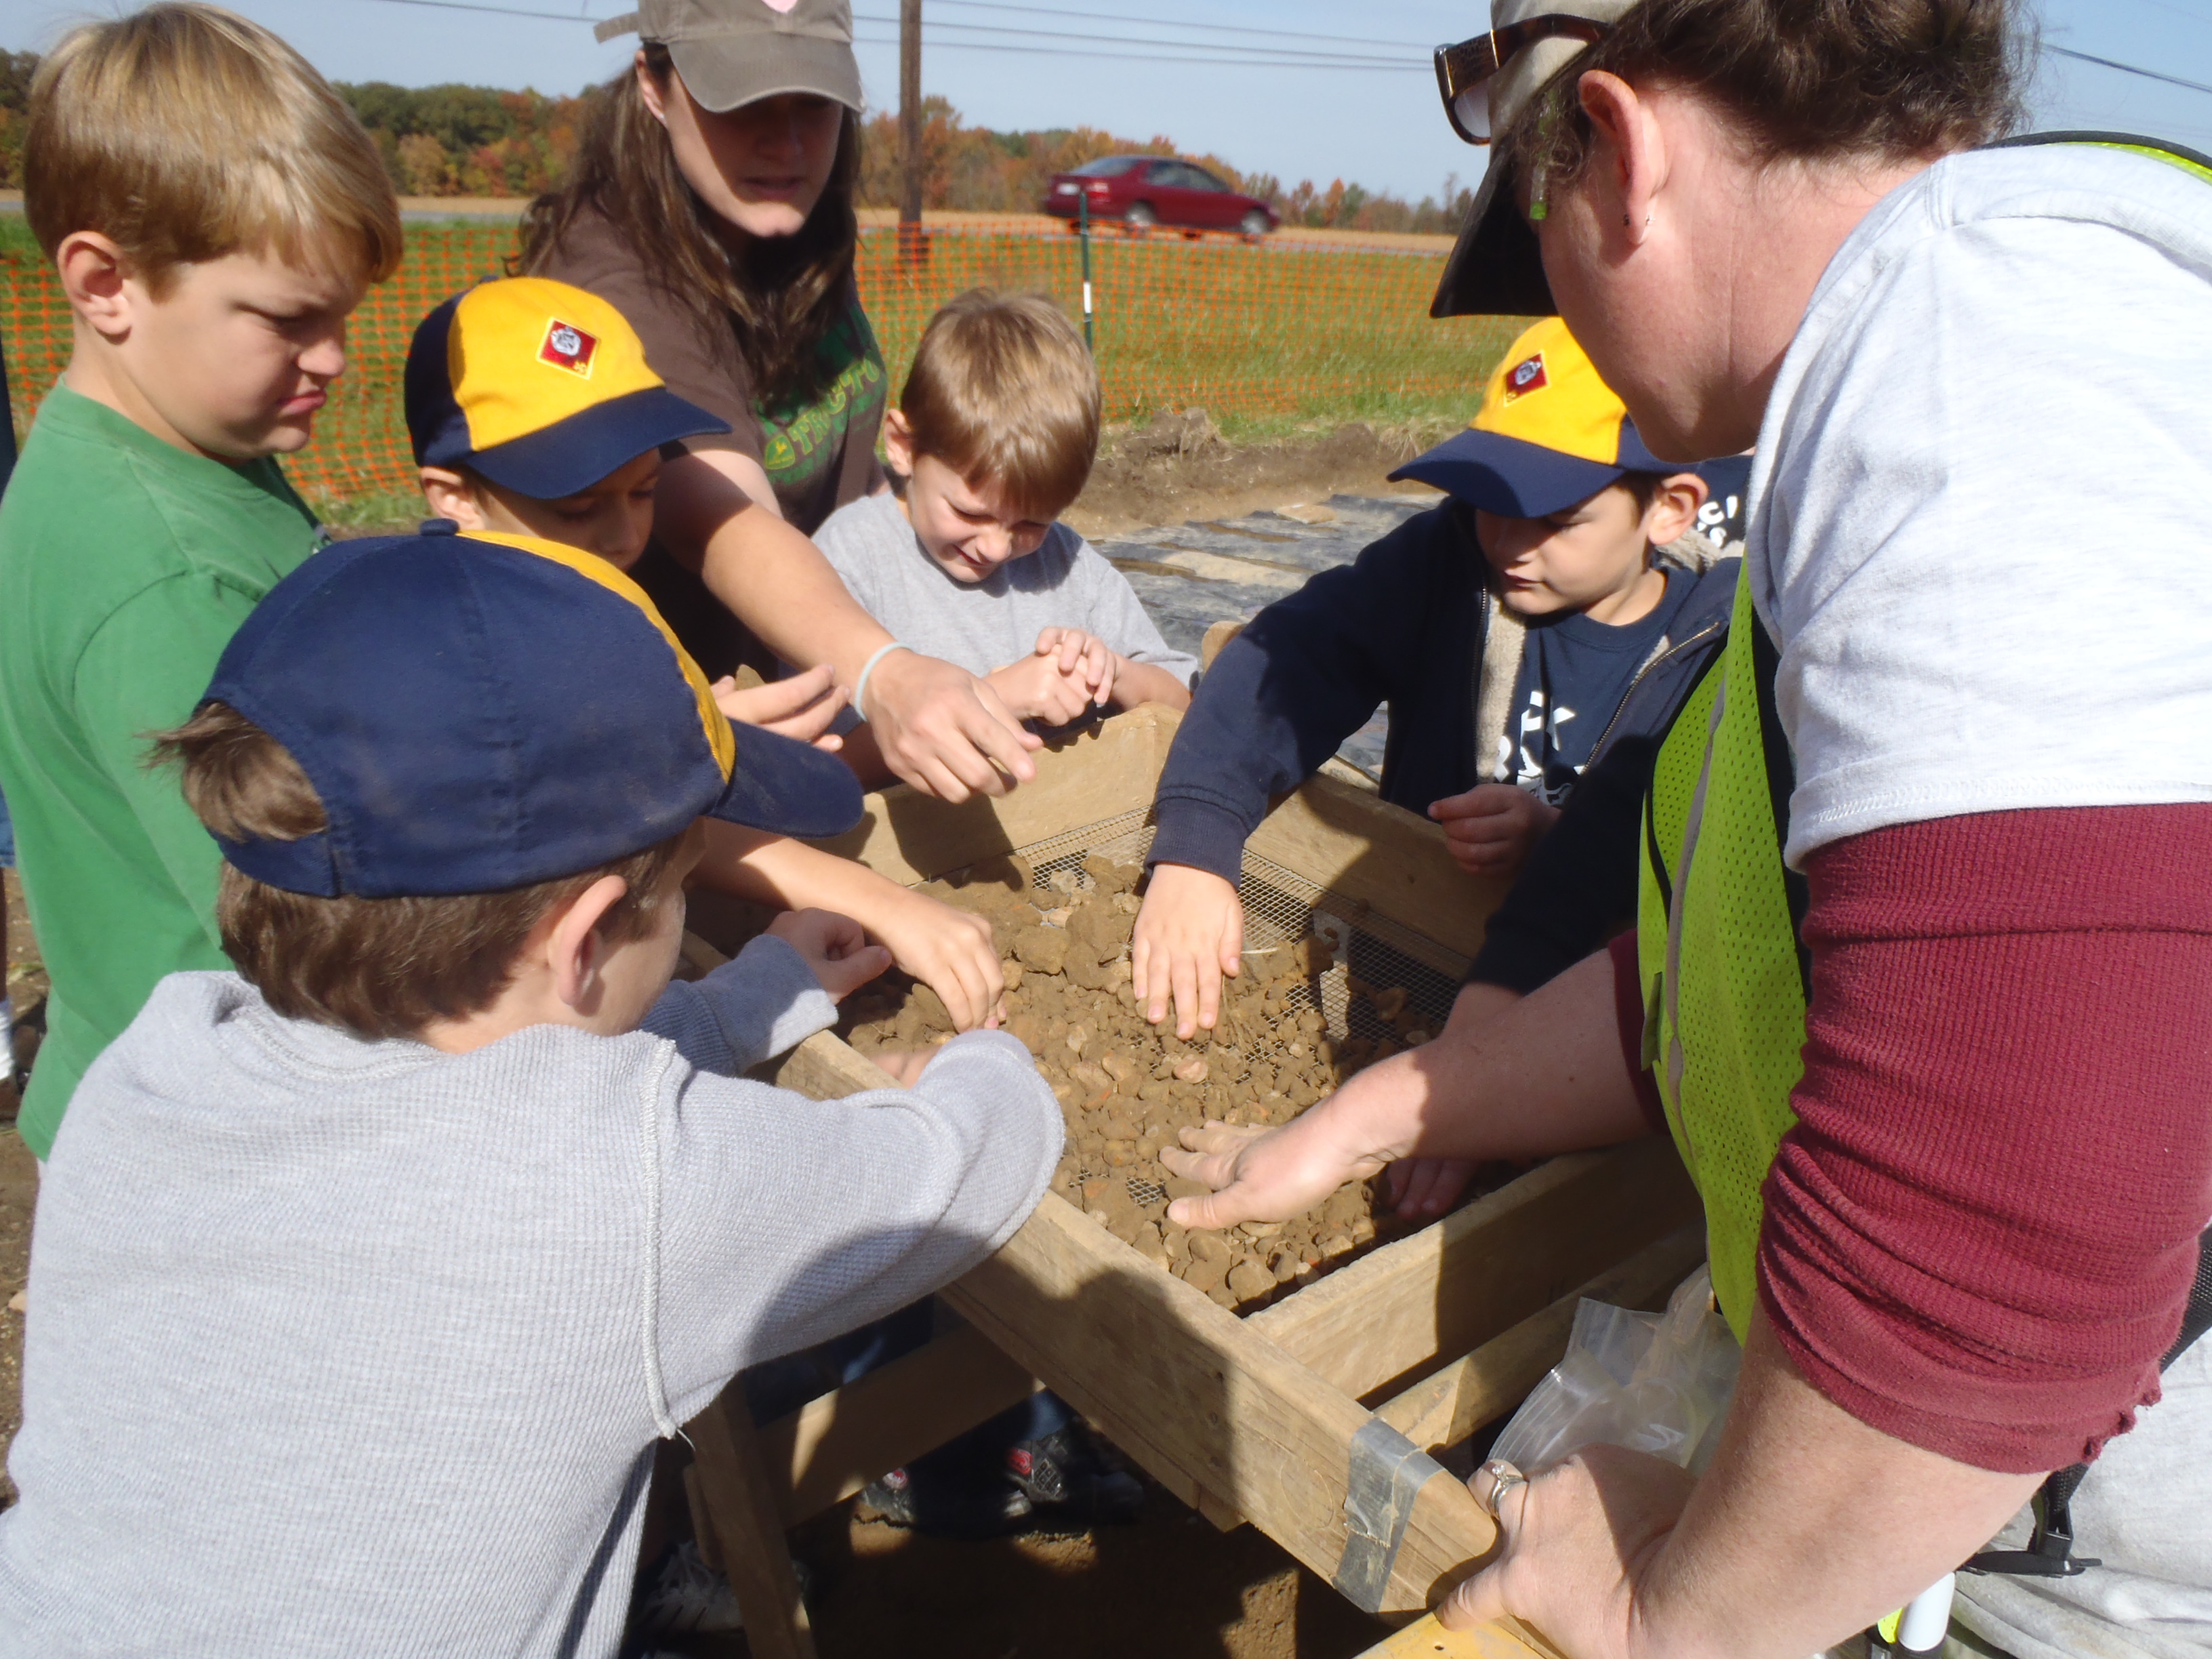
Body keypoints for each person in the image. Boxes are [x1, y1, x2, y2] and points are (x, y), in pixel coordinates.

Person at [1163, 3, 2212, 1657]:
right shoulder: (1963, 380)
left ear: (1620, 152)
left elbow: (2011, 1221)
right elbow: (1731, 987)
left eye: (1541, 237)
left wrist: (1675, 1615)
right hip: (1963, 1516)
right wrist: (1388, 1105)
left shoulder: (1963, 363)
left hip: (2099, 1571)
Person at [0, 526, 1063, 1655]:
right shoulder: (631, 1190)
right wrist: (977, 1061)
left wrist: (760, 991)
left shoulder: (150, 1068)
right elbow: (968, 1163)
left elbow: (514, 1077)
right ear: (588, 937)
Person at [0, 3, 401, 1160]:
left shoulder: (159, 455)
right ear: (105, 282)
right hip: (220, 1124)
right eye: (289, 320)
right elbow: (302, 925)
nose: (332, 357)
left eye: (342, 315)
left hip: (139, 1055)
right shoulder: (162, 569)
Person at [405, 274, 1008, 1029]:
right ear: (455, 497)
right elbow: (635, 810)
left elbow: (676, 812)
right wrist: (876, 899)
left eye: (645, 490)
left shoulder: (609, 615)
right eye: (579, 509)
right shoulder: (449, 670)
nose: (626, 537)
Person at [1132, 316, 1740, 1044]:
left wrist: (1559, 841)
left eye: (1555, 519)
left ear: (1669, 511)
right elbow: (1288, 656)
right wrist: (1197, 843)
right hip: (1407, 968)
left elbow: (1712, 867)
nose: (1511, 544)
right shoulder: (1448, 568)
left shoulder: (1716, 643)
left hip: (1588, 1019)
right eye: (1494, 504)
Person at [522, 0, 1042, 806]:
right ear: (654, 86)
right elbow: (724, 519)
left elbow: (856, 471)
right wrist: (889, 673)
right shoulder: (611, 285)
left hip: (818, 688)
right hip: (690, 743)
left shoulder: (792, 230)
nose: (788, 142)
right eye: (744, 104)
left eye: (814, 103)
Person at [811, 287, 1197, 785]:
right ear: (904, 448)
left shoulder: (1069, 565)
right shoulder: (848, 561)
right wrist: (995, 697)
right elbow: (823, 767)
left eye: (1031, 524)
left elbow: (1183, 709)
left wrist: (1115, 674)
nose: (995, 547)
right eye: (968, 512)